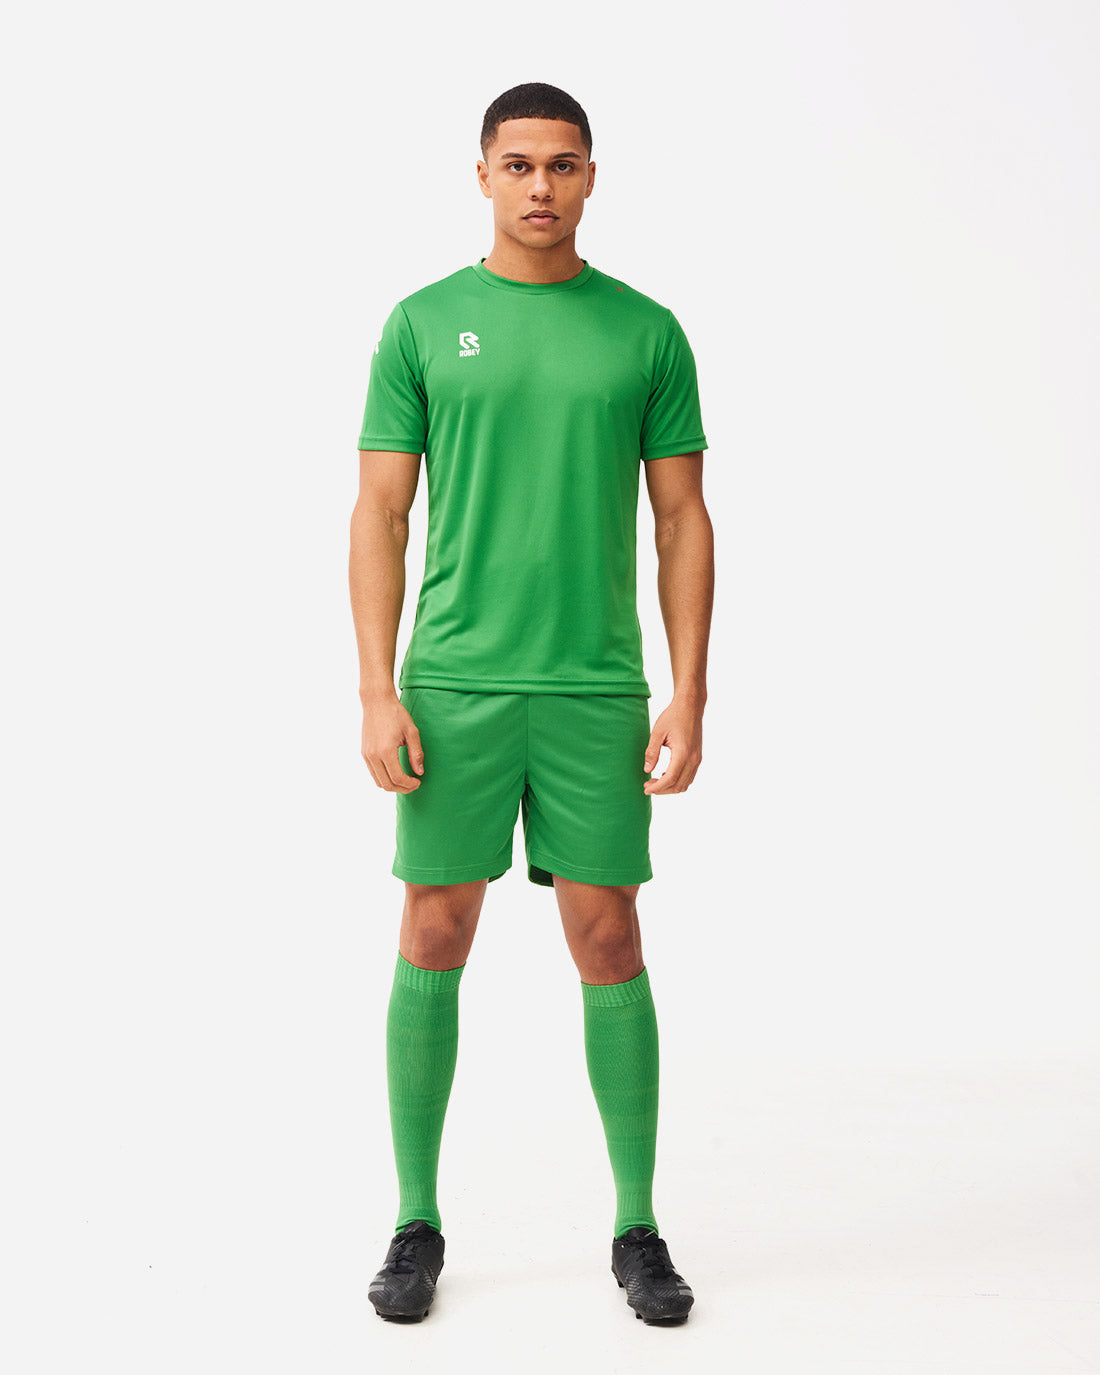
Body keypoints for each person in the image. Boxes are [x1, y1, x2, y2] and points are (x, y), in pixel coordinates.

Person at [349, 81, 713, 1325]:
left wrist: (688, 690)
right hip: (452, 683)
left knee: (607, 939)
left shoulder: (644, 332)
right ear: (483, 176)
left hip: (592, 687)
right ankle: (414, 1219)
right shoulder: (422, 324)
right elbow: (380, 512)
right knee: (432, 929)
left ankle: (635, 1225)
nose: (540, 186)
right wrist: (376, 688)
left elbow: (681, 518)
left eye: (562, 164)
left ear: (590, 176)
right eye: (518, 164)